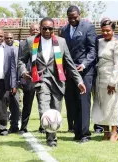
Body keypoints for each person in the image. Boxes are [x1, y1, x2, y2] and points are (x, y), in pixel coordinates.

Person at [18, 17, 86, 147]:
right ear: (40, 28)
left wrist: (79, 81)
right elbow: (21, 60)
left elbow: (70, 64)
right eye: (45, 28)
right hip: (40, 81)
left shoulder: (61, 42)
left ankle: (51, 135)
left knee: (55, 111)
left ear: (53, 29)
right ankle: (51, 139)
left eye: (50, 28)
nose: (47, 31)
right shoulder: (31, 41)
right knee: (45, 109)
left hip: (58, 82)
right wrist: (23, 72)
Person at [61, 6, 97, 143]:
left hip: (85, 71)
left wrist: (85, 64)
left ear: (79, 15)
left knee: (83, 102)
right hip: (69, 72)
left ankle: (85, 134)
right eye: (70, 17)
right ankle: (77, 132)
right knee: (72, 102)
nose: (73, 20)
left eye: (75, 17)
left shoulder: (88, 27)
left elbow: (92, 50)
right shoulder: (63, 30)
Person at [92, 20, 118, 142]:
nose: (105, 32)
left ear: (113, 31)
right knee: (102, 105)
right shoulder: (99, 42)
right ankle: (105, 132)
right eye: (103, 30)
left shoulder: (117, 44)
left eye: (108, 30)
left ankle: (114, 132)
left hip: (112, 77)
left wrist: (112, 82)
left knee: (112, 105)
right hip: (100, 76)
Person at [19, 23, 45, 134]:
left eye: (37, 29)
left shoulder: (44, 43)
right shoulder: (25, 43)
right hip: (29, 79)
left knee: (42, 104)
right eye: (32, 29)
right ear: (29, 32)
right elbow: (21, 60)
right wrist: (24, 73)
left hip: (41, 78)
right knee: (27, 105)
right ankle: (23, 127)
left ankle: (43, 127)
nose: (35, 31)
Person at [4, 32, 20, 133]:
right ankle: (2, 125)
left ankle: (14, 126)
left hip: (15, 81)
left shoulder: (18, 49)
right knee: (2, 105)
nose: (9, 39)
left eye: (11, 38)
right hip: (3, 82)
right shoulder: (2, 49)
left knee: (15, 104)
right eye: (7, 38)